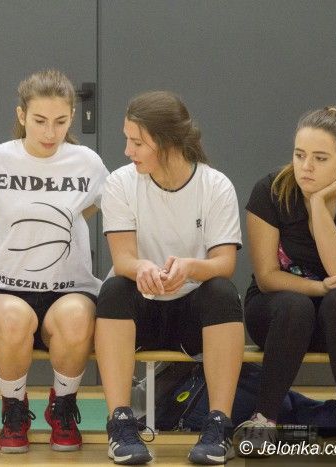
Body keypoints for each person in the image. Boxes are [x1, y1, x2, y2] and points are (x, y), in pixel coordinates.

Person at [0, 69, 109, 453]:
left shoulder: (87, 162)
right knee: (14, 318)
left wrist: (68, 223)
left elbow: (108, 203)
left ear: (71, 118)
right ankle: (14, 409)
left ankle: (62, 407)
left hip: (69, 291)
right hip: (0, 291)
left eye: (61, 122)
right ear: (22, 116)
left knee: (77, 318)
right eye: (40, 121)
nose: (50, 132)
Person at [96, 91, 245, 465]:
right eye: (127, 139)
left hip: (191, 313)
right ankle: (121, 424)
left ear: (167, 142)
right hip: (143, 310)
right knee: (114, 289)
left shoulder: (216, 186)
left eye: (137, 142)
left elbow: (225, 262)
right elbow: (123, 259)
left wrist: (191, 268)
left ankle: (218, 425)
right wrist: (142, 268)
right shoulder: (119, 183)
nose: (128, 150)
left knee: (223, 292)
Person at [238, 106, 336, 459]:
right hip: (278, 314)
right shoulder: (270, 191)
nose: (306, 167)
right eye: (299, 155)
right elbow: (268, 277)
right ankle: (264, 419)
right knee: (295, 305)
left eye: (320, 158)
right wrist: (319, 288)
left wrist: (318, 203)